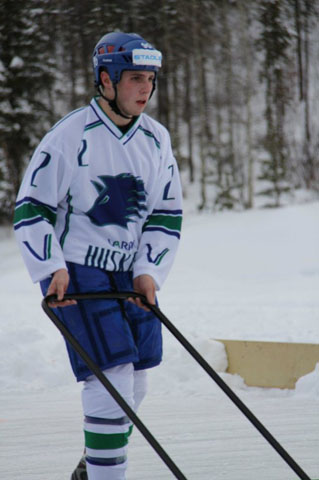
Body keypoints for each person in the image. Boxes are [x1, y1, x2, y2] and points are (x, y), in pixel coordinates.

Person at [13, 32, 183, 480]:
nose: (145, 88)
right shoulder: (71, 135)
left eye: (150, 78)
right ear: (105, 80)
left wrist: (149, 270)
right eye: (134, 78)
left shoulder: (156, 139)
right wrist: (51, 268)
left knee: (139, 376)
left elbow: (166, 213)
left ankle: (95, 465)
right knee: (111, 378)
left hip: (129, 272)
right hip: (79, 273)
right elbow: (32, 208)